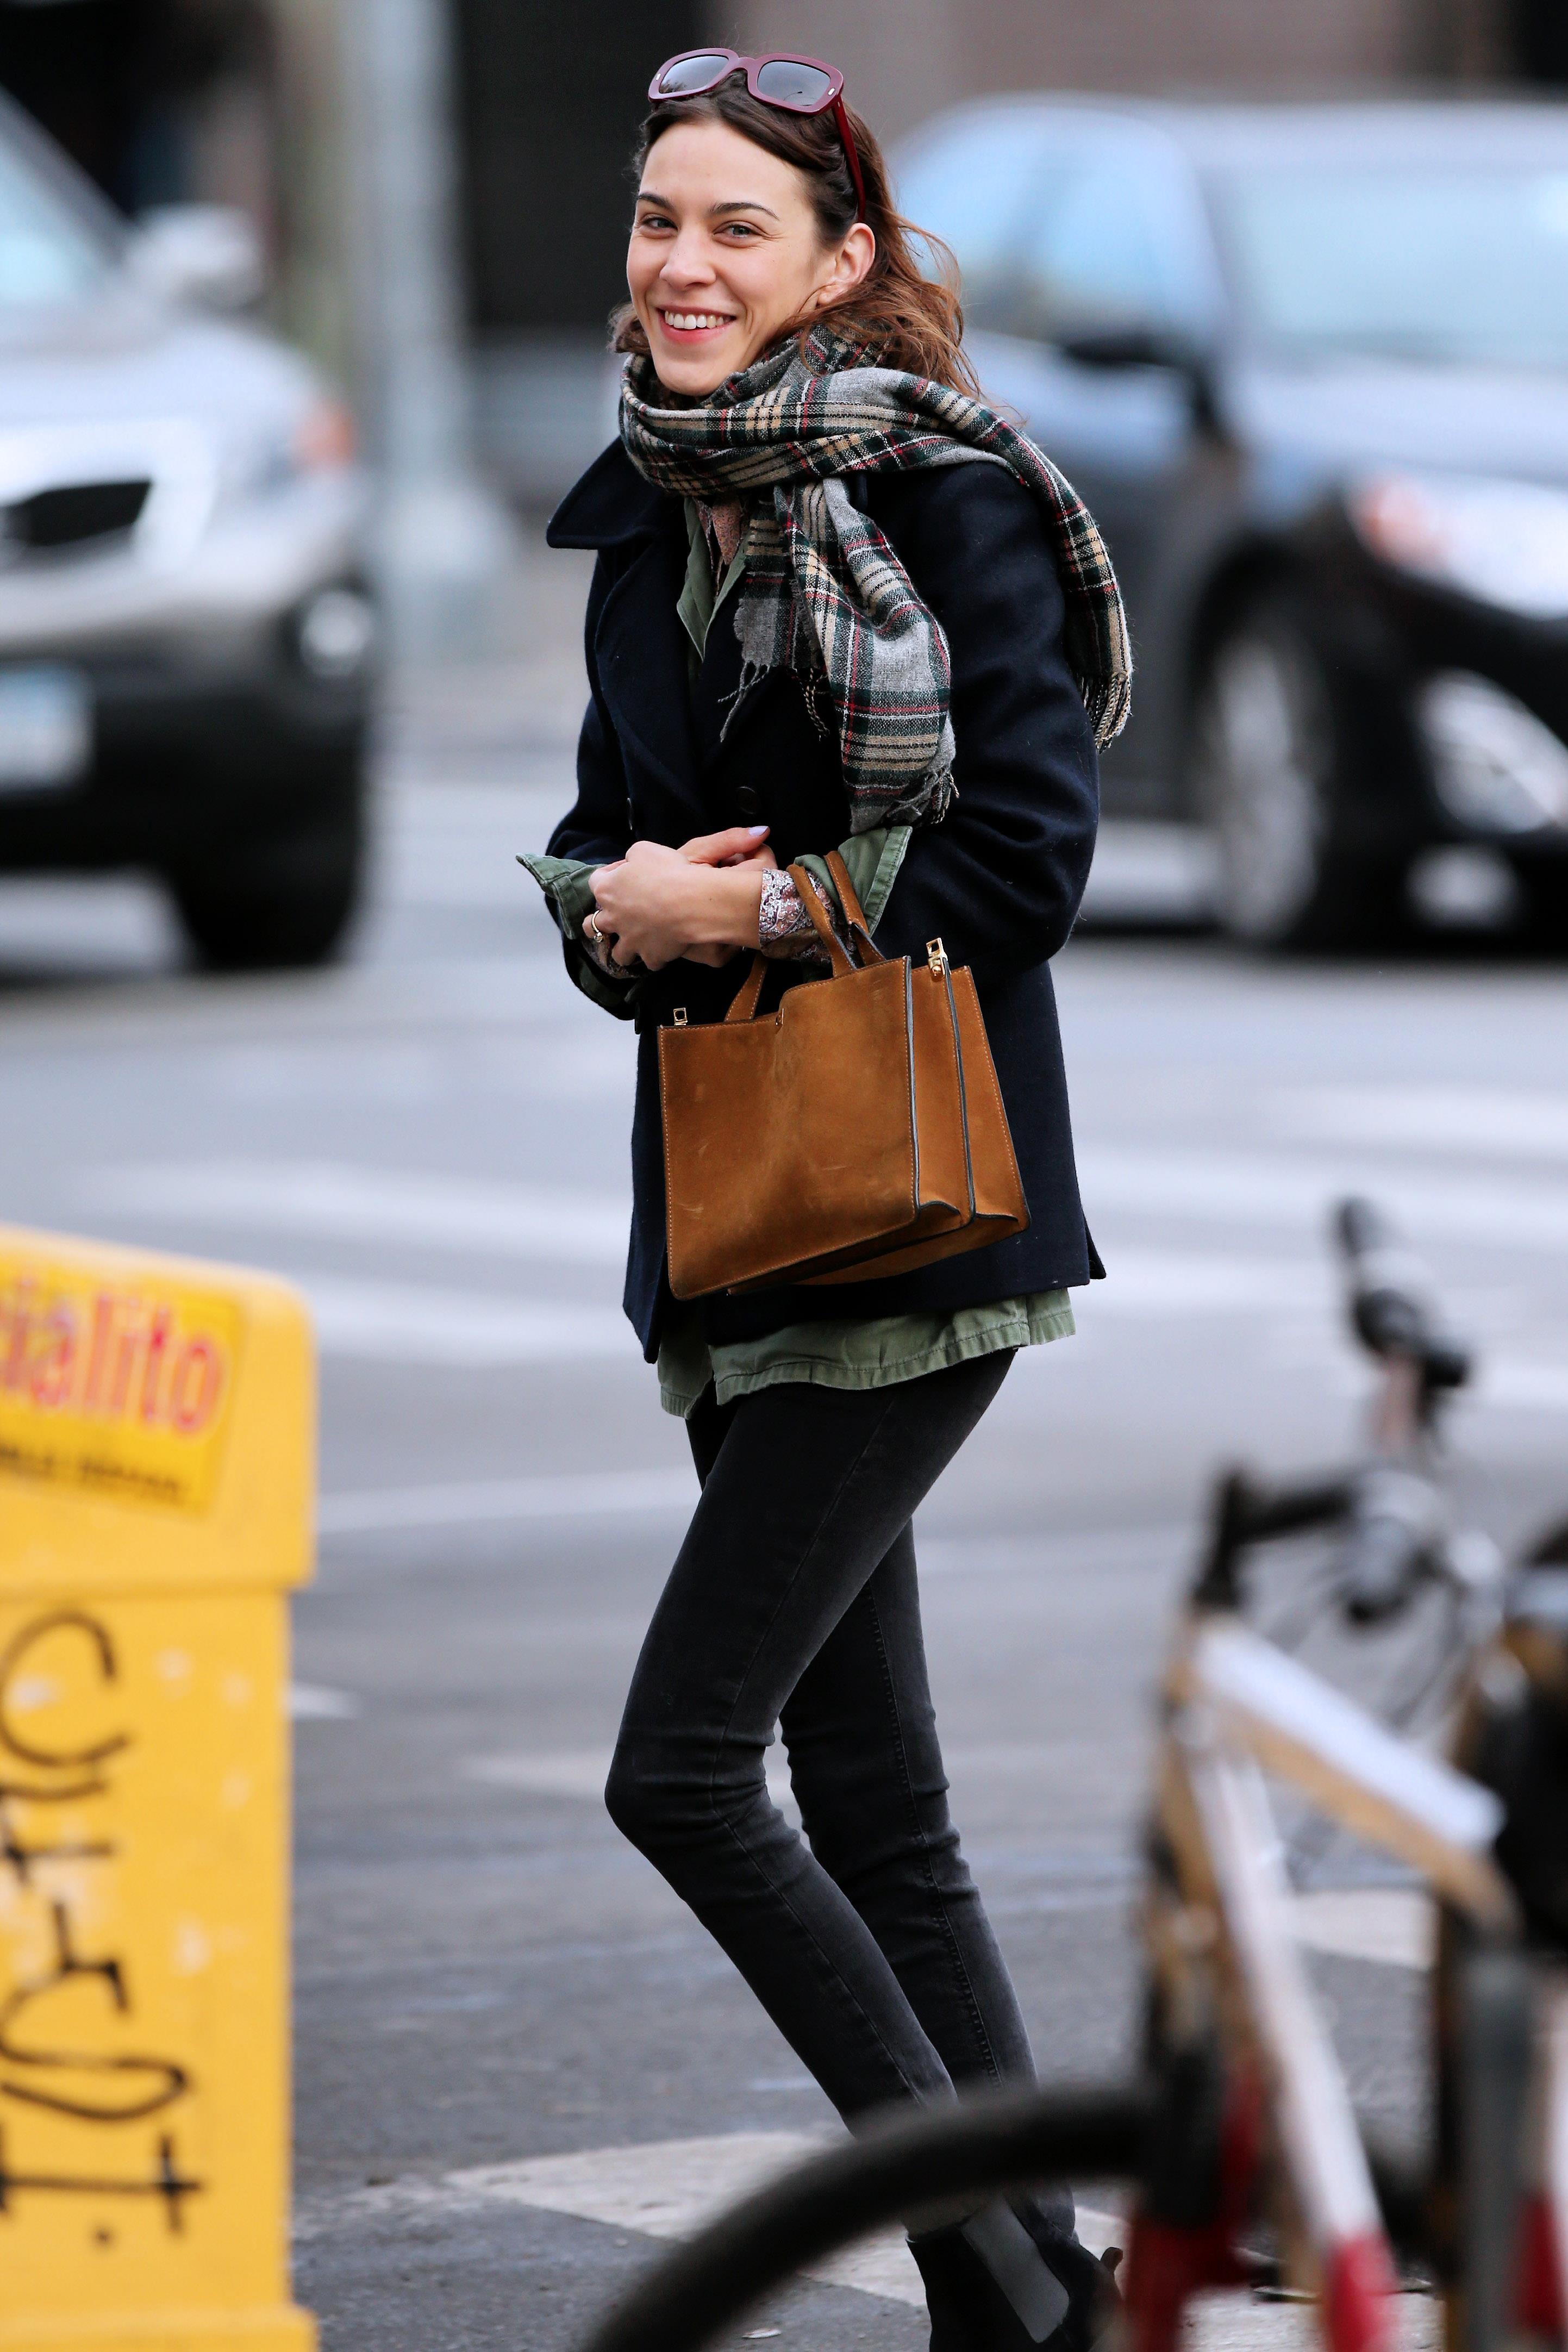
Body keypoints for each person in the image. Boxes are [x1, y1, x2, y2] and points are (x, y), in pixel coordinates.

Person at [520, 48, 1128, 2352]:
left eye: (734, 230)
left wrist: (737, 919)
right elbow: (608, 855)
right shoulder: (643, 512)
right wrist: (613, 913)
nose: (681, 266)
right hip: (736, 1203)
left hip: (921, 1193)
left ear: (839, 267)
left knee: (683, 1765)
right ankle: (1029, 2289)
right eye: (657, 222)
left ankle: (1008, 2264)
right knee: (872, 1791)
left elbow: (1023, 861)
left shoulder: (944, 497)